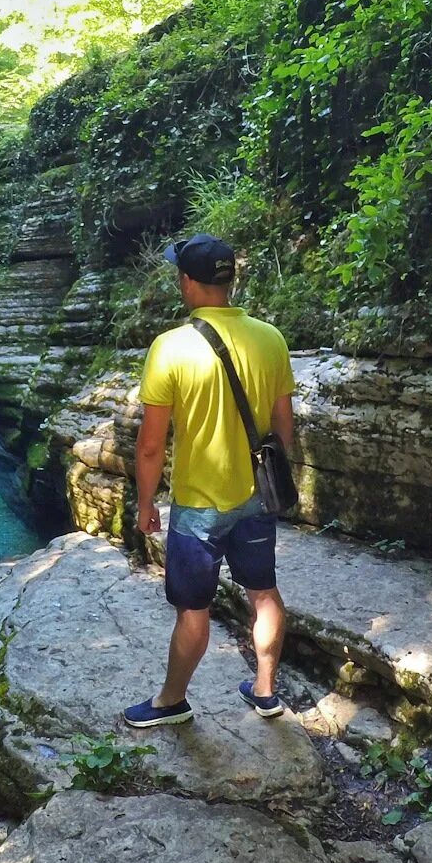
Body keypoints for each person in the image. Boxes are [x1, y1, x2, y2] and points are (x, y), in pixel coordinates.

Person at [122, 232, 296, 729]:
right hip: (257, 498)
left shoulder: (170, 347)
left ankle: (171, 702)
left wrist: (144, 503)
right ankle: (264, 690)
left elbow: (151, 444)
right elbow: (283, 426)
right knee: (263, 592)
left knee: (193, 608)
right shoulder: (270, 337)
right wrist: (273, 475)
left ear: (186, 282)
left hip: (198, 505)